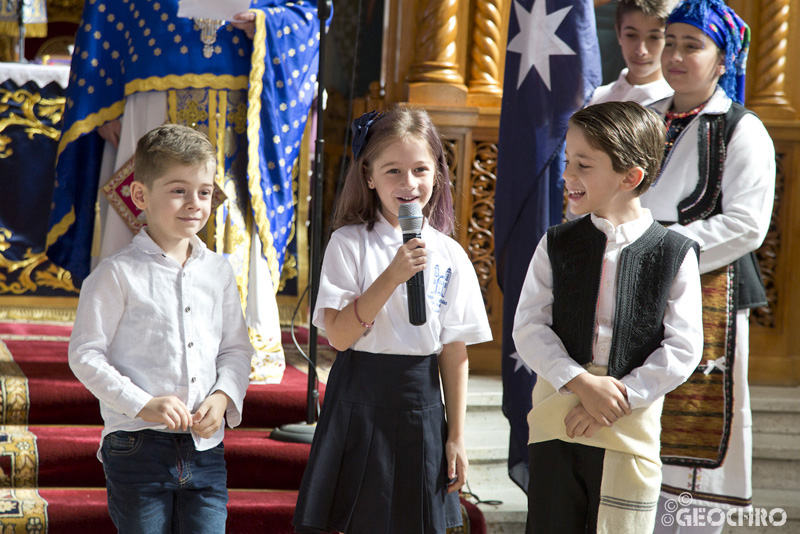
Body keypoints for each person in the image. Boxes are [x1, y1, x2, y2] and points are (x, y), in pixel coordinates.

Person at [48, 0, 326, 384]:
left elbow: (305, 12)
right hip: (151, 78)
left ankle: (236, 350)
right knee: (141, 199)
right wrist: (101, 99)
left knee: (229, 210)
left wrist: (268, 23)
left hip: (242, 94)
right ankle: (133, 348)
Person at [292, 107, 492, 534]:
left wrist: (455, 435)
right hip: (359, 395)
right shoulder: (349, 243)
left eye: (420, 169)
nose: (408, 184)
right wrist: (391, 275)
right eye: (393, 171)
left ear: (438, 172)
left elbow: (454, 351)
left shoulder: (451, 254)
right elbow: (341, 337)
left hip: (419, 398)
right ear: (368, 176)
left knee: (414, 520)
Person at [513, 101, 704, 534]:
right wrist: (581, 383)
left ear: (630, 177)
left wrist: (616, 401)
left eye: (583, 164)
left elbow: (683, 348)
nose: (567, 176)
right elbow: (529, 326)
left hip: (627, 424)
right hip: (557, 418)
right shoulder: (555, 244)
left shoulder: (675, 253)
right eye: (567, 162)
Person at [68, 124, 254, 533]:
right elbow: (84, 355)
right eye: (177, 190)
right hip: (136, 445)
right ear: (140, 195)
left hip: (206, 448)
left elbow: (237, 350)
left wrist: (223, 398)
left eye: (204, 192)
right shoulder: (115, 274)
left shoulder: (219, 272)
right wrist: (142, 403)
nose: (194, 203)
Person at [640, 1, 776, 531]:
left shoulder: (743, 130)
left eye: (691, 46)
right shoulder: (645, 117)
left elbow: (746, 225)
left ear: (723, 59)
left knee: (695, 432)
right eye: (667, 41)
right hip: (638, 290)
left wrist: (659, 251)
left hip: (708, 292)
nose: (672, 54)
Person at [589, 0, 676, 106]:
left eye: (654, 37)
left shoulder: (673, 107)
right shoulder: (594, 98)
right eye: (631, 35)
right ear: (619, 33)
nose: (641, 51)